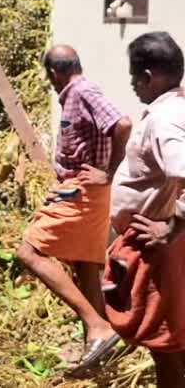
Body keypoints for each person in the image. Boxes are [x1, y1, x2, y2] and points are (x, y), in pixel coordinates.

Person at [17, 45, 132, 375]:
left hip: (79, 190)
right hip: (87, 192)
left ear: (54, 73)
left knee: (29, 251)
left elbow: (122, 124)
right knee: (85, 270)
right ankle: (98, 354)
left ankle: (98, 326)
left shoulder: (82, 91)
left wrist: (108, 171)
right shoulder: (77, 93)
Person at [104, 31, 185, 388]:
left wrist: (171, 228)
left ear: (148, 76)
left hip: (159, 248)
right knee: (174, 338)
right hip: (160, 244)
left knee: (164, 343)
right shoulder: (174, 110)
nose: (134, 86)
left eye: (135, 78)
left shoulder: (165, 120)